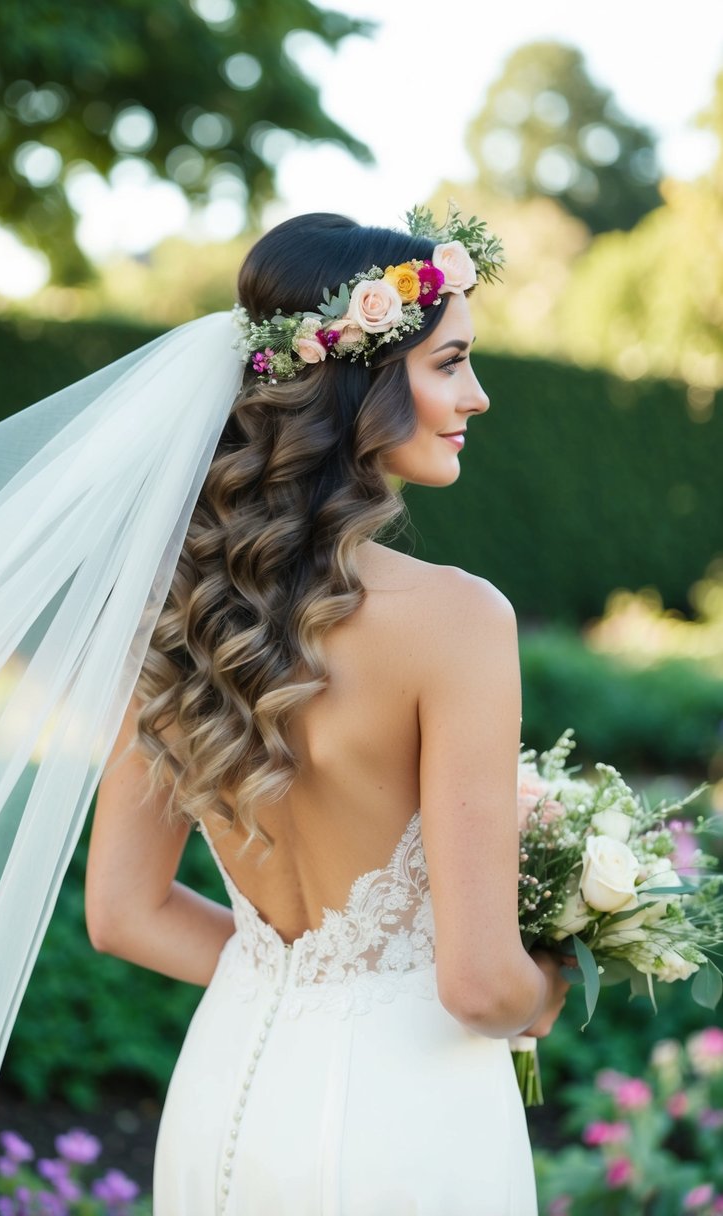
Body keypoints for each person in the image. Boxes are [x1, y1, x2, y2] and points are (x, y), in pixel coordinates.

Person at [84, 211, 572, 1215]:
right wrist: (550, 984)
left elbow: (123, 913)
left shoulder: (176, 605)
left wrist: (300, 983)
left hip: (223, 1102)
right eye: (450, 363)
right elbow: (480, 985)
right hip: (405, 1127)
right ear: (361, 379)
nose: (475, 396)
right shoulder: (458, 619)